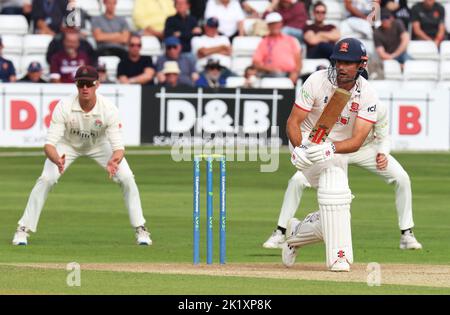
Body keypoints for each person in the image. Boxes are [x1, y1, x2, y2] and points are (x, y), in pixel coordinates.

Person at [264, 86, 422, 254]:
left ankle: (407, 233)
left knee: (402, 178)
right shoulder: (333, 104)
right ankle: (280, 231)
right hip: (335, 150)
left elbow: (383, 136)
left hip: (365, 149)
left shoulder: (377, 106)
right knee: (297, 180)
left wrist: (383, 152)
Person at [12, 65, 152, 246]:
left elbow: (118, 147)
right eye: (80, 84)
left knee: (126, 177)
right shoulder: (64, 106)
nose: (84, 88)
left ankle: (141, 228)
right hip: (67, 144)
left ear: (97, 85)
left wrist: (114, 160)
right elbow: (49, 145)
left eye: (89, 84)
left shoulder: (108, 109)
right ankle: (23, 229)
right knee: (47, 178)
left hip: (100, 145)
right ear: (76, 85)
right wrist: (56, 159)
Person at [280, 38, 381, 272]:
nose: (342, 67)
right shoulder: (317, 80)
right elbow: (293, 122)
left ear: (361, 64)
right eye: (338, 61)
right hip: (308, 142)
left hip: (337, 148)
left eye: (348, 62)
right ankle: (339, 257)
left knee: (336, 203)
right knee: (335, 187)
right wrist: (299, 148)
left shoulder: (368, 95)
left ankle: (296, 233)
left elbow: (356, 141)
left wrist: (332, 148)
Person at [252, 12, 302, 84]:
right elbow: (256, 63)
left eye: (276, 23)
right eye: (272, 24)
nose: (274, 26)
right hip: (272, 74)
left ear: (281, 24)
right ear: (268, 26)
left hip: (290, 74)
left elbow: (298, 60)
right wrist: (271, 69)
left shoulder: (291, 40)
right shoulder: (264, 42)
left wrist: (295, 72)